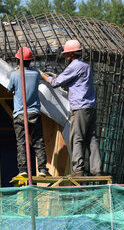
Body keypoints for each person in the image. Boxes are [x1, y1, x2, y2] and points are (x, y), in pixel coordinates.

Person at [41, 39, 103, 176]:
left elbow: (56, 82)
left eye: (66, 55)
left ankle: (78, 169)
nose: (65, 57)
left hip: (80, 108)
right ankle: (96, 170)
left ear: (70, 54)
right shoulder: (85, 66)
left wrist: (44, 76)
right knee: (92, 139)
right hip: (90, 107)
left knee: (77, 137)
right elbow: (74, 83)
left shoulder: (74, 66)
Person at [8, 47, 50, 178]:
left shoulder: (15, 75)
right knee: (38, 141)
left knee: (21, 142)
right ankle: (43, 169)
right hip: (34, 113)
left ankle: (23, 170)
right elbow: (41, 77)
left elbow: (9, 90)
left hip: (20, 114)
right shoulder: (36, 73)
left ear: (18, 60)